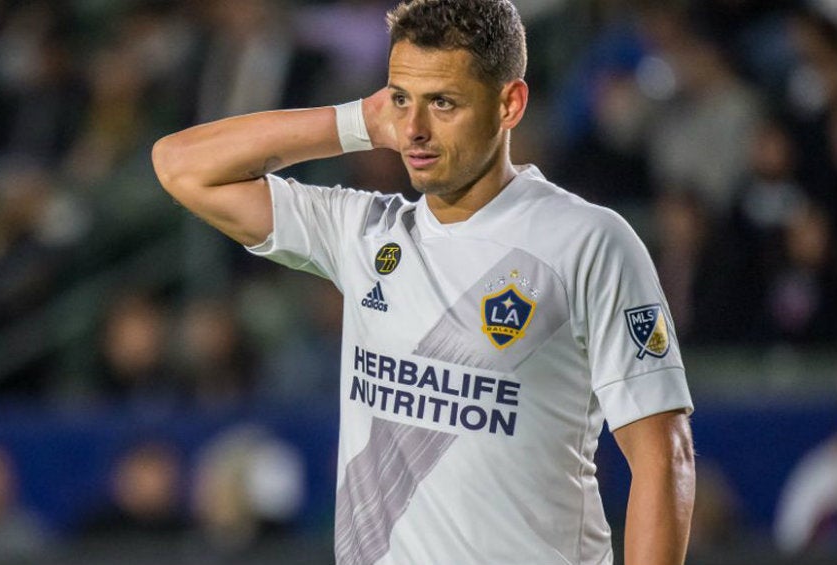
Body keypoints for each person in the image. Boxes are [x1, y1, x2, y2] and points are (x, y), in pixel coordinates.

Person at [151, 1, 695, 564]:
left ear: (509, 103)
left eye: (443, 103)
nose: (413, 129)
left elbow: (663, 455)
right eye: (401, 99)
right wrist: (360, 120)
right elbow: (180, 165)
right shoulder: (363, 231)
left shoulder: (587, 241)